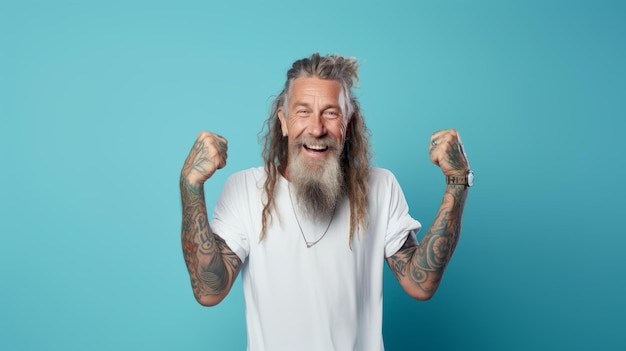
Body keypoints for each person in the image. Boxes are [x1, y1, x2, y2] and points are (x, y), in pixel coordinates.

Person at [180, 53, 473, 350]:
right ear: (283, 121)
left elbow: (420, 283)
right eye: (303, 112)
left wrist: (457, 182)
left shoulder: (381, 187)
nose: (317, 129)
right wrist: (191, 185)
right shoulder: (244, 190)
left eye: (331, 113)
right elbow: (208, 290)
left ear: (349, 122)